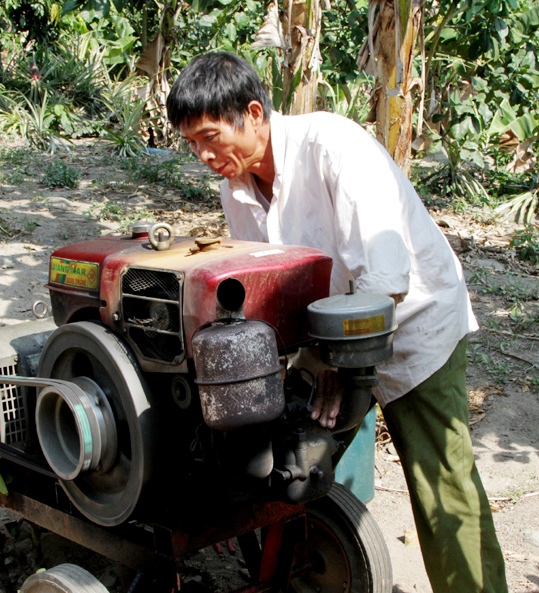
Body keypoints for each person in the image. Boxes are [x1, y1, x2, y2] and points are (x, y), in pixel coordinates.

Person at [166, 51, 508, 593]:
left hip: (414, 325)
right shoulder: (236, 189)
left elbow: (384, 279)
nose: (205, 155)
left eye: (211, 137)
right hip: (323, 341)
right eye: (192, 145)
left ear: (253, 113)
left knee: (444, 490)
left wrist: (333, 363)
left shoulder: (333, 147)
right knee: (285, 463)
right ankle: (291, 573)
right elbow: (273, 286)